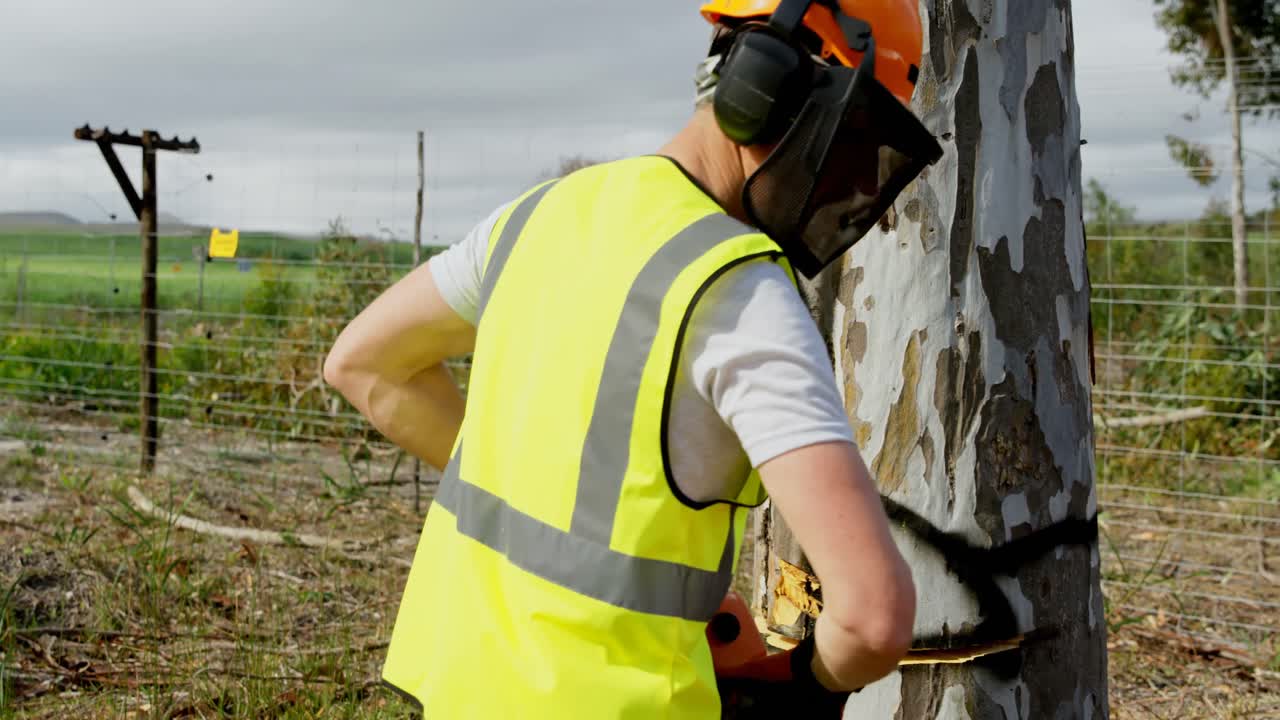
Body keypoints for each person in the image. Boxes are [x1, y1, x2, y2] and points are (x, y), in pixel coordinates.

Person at [323, 0, 943, 716]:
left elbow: (365, 366)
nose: (859, 183)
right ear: (767, 88)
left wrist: (530, 484)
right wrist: (802, 684)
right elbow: (872, 617)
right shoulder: (742, 294)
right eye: (855, 138)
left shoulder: (538, 216)